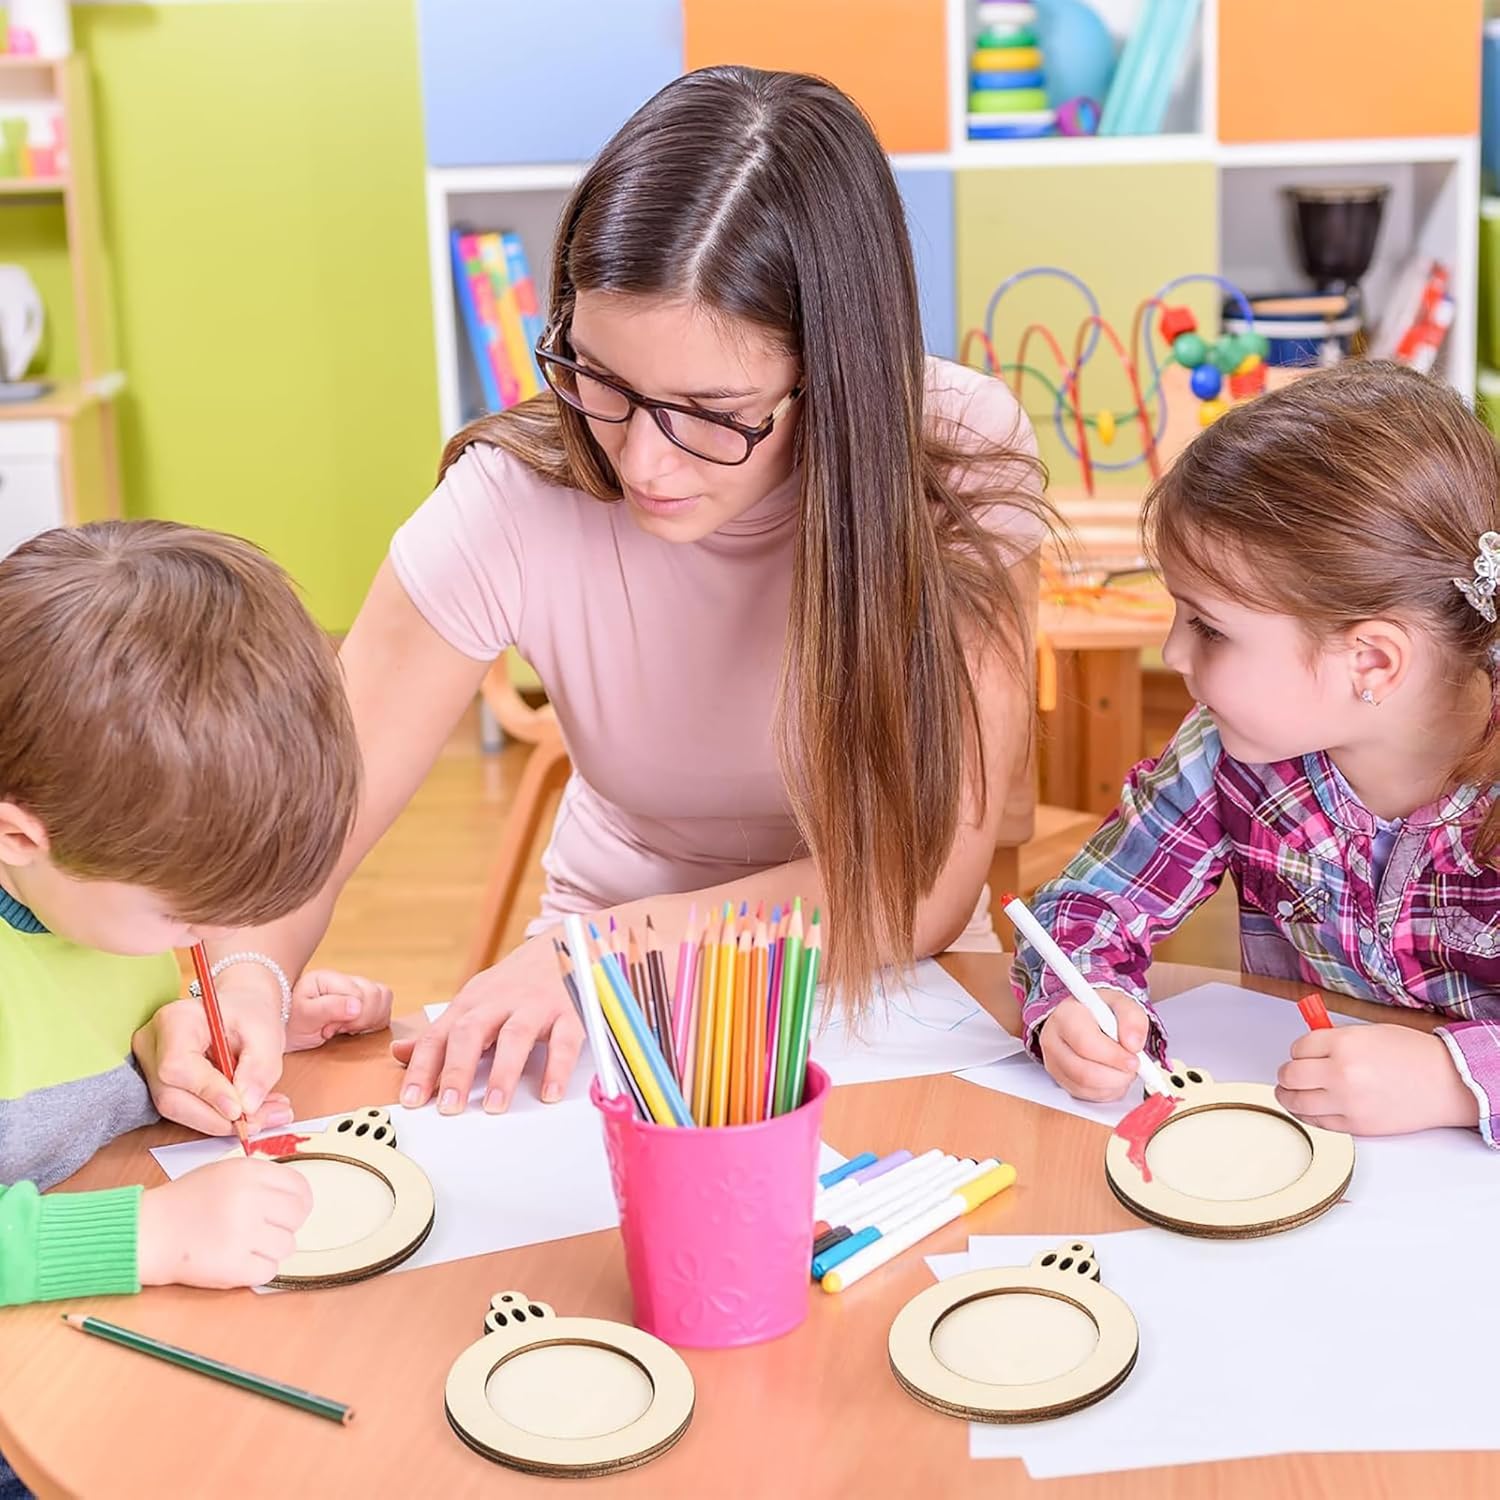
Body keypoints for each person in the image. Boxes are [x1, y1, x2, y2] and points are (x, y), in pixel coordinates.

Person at [198, 65, 1048, 1124]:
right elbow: (298, 831)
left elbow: (917, 891)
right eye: (600, 380)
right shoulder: (511, 500)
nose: (643, 460)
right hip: (594, 983)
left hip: (862, 984)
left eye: (710, 409)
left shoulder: (956, 458)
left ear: (837, 373)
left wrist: (593, 950)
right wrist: (243, 986)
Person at [1015, 361, 1500, 1146]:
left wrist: (1453, 1079)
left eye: (1208, 627)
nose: (1172, 653)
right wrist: (1080, 1003)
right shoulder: (1227, 752)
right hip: (1299, 1170)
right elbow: (1080, 910)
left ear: (1371, 662)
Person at [0, 522, 389, 1493]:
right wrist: (152, 1238)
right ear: (18, 835)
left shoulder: (85, 879)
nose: (205, 937)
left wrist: (170, 1035)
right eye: (188, 915)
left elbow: (64, 1050)